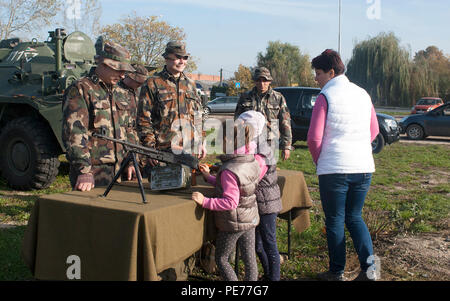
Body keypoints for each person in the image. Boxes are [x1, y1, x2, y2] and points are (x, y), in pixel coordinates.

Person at [307, 49, 380, 281]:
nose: (316, 78)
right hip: (363, 166)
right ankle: (370, 270)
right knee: (355, 217)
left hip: (335, 168)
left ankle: (336, 271)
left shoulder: (325, 96)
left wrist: (322, 160)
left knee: (336, 219)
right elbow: (374, 130)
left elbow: (313, 138)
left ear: (331, 72)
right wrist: (357, 148)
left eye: (318, 73)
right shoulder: (363, 94)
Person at [62, 40, 137, 191]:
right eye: (118, 70)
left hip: (122, 170)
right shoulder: (81, 89)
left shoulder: (123, 93)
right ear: (102, 65)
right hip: (94, 171)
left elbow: (130, 130)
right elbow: (74, 133)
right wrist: (84, 171)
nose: (122, 76)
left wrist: (132, 161)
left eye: (124, 71)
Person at [191, 121, 262, 281]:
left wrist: (205, 201)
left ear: (228, 141)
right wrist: (210, 178)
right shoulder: (250, 160)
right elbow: (239, 186)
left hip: (233, 223)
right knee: (249, 259)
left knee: (222, 259)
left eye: (219, 139)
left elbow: (230, 202)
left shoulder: (229, 170)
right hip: (250, 218)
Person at [137, 41, 206, 165]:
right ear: (166, 58)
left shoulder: (191, 84)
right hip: (163, 153)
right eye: (177, 57)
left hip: (189, 152)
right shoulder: (153, 83)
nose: (182, 61)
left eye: (185, 58)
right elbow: (144, 119)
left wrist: (201, 141)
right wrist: (150, 149)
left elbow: (199, 117)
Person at [237, 110, 282, 281]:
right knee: (258, 245)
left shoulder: (263, 148)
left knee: (269, 243)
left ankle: (274, 278)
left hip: (266, 202)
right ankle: (269, 275)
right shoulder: (253, 143)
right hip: (259, 201)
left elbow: (252, 174)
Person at [234, 66, 292, 161]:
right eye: (258, 80)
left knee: (268, 172)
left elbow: (285, 122)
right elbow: (237, 120)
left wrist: (286, 146)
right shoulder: (245, 97)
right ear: (254, 81)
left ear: (269, 81)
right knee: (248, 169)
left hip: (269, 141)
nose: (262, 83)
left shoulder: (278, 98)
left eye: (264, 80)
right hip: (249, 141)